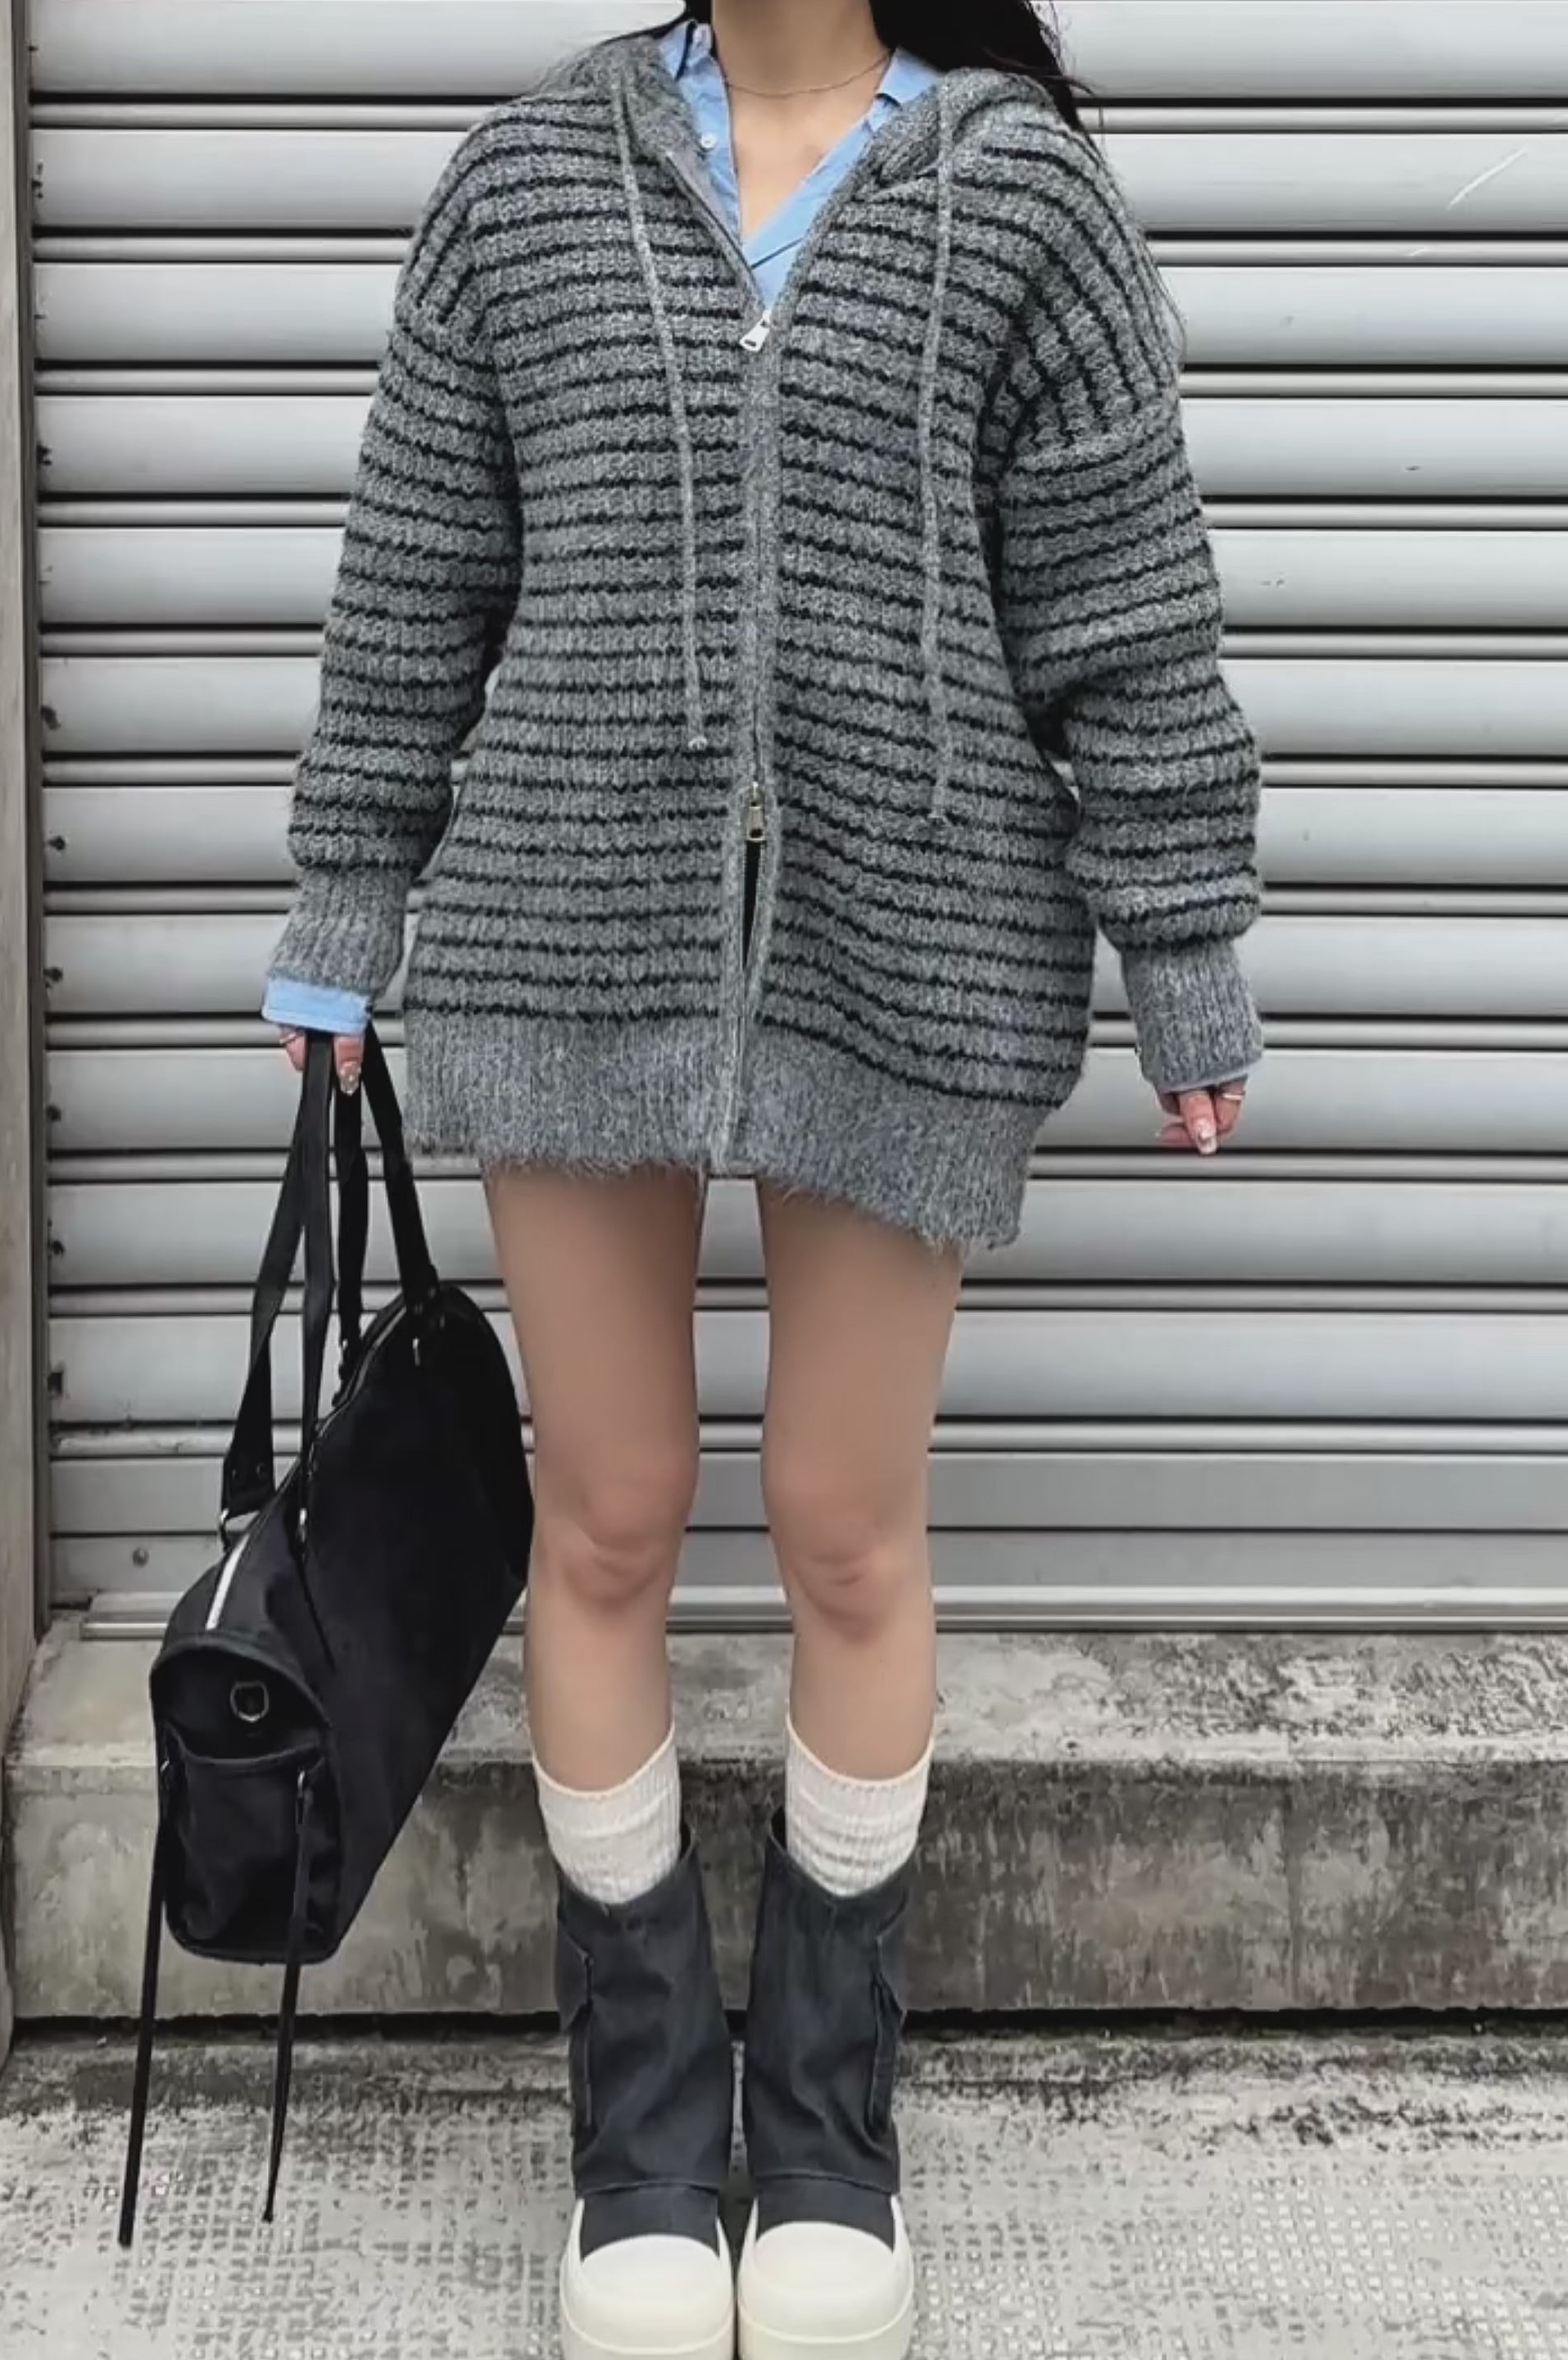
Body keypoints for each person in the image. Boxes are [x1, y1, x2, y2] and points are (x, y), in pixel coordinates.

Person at [261, 1, 1262, 2353]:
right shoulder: (529, 181)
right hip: (568, 930)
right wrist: (346, 898)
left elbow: (1120, 594)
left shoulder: (1021, 194)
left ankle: (822, 2125)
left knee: (845, 1524)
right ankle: (640, 2131)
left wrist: (1182, 938)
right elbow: (418, 567)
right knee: (605, 1515)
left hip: (912, 943)